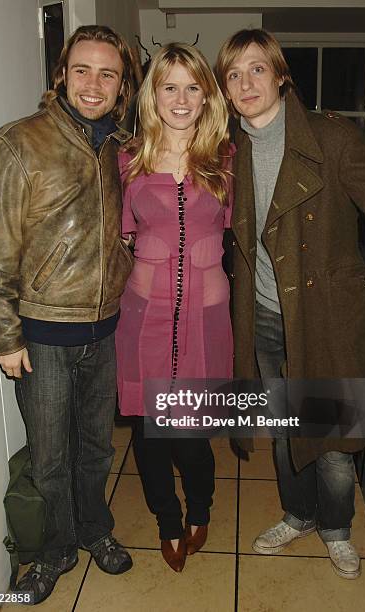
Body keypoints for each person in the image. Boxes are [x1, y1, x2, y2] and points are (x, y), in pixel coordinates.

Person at [215, 28, 365, 580]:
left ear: (280, 75)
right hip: (266, 317)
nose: (246, 83)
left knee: (337, 436)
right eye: (234, 74)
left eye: (257, 69)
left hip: (330, 317)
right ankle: (299, 514)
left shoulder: (329, 138)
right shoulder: (228, 151)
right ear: (224, 89)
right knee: (286, 424)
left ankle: (338, 529)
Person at [0, 25, 135, 603]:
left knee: (96, 449)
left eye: (108, 74)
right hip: (41, 334)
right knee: (50, 457)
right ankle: (55, 550)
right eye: (83, 70)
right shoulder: (20, 143)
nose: (94, 84)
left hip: (106, 328)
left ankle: (96, 530)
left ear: (121, 86)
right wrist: (4, 335)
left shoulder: (121, 146)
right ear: (62, 75)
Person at [115, 42, 233, 572]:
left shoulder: (229, 160)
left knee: (190, 435)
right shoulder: (127, 159)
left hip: (205, 320)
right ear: (152, 95)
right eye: (169, 87)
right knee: (149, 433)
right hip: (144, 318)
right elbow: (115, 239)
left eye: (192, 87)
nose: (180, 99)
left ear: (207, 95)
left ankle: (200, 510)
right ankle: (167, 521)